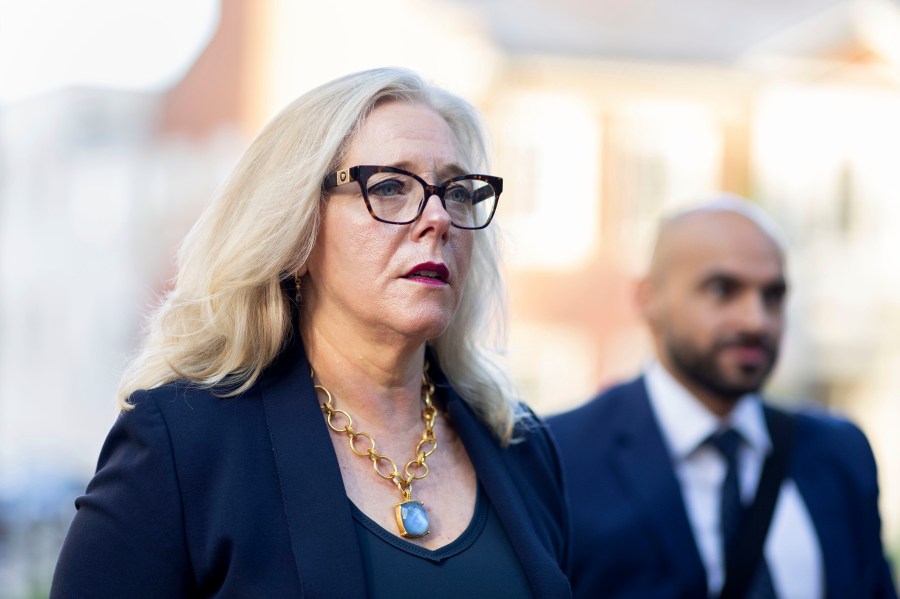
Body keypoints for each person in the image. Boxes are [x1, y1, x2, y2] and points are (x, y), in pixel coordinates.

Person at [51, 67, 571, 598]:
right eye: (391, 186)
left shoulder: (520, 447)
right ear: (299, 228)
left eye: (457, 192)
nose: (438, 217)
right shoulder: (185, 444)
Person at [549, 197, 898, 598]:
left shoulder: (839, 453)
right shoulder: (560, 457)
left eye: (773, 295)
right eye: (722, 290)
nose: (756, 320)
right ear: (648, 299)